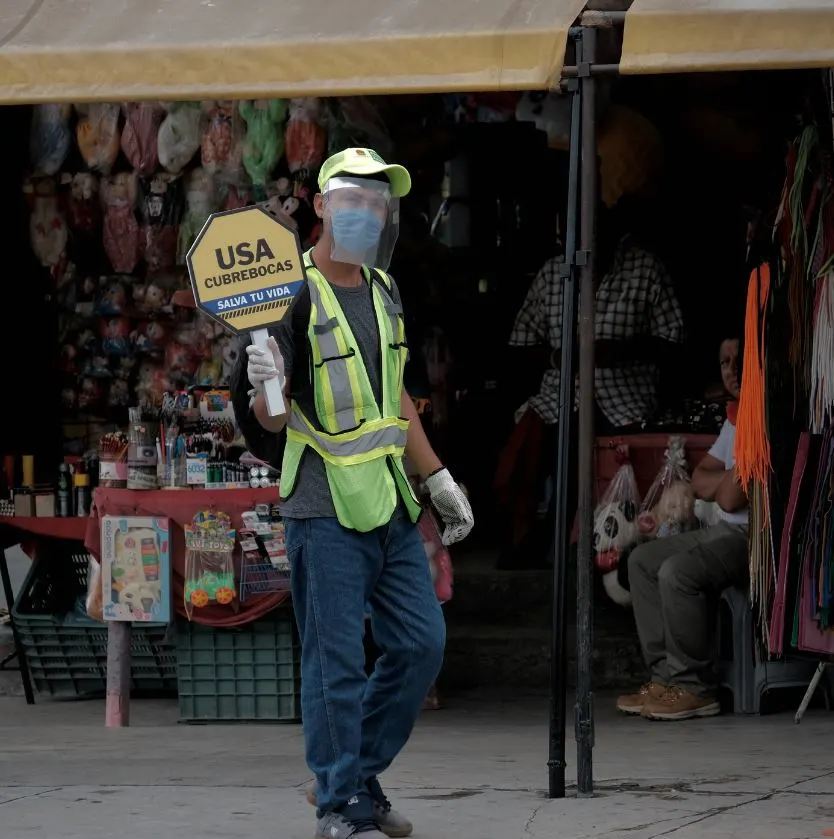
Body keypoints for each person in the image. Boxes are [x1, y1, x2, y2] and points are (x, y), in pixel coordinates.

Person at [243, 148, 473, 839]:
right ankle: (339, 804)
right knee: (333, 661)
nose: (367, 212)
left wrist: (436, 478)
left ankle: (353, 775)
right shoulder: (289, 292)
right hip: (321, 505)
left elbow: (394, 393)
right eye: (354, 198)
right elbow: (272, 423)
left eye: (378, 202)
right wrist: (265, 379)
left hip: (388, 501)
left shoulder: (383, 287)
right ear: (320, 204)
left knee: (420, 644)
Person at [495, 202, 684, 565]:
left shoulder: (644, 269)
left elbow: (674, 344)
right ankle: (530, 538)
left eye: (595, 234)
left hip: (626, 398)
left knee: (614, 461)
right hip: (563, 394)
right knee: (531, 436)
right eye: (576, 235)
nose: (586, 244)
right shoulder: (554, 274)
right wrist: (557, 358)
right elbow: (519, 346)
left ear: (614, 235)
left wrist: (623, 350)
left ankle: (603, 551)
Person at [617, 337, 748, 721]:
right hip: (723, 530)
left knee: (677, 571)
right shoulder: (736, 416)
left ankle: (694, 687)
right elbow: (701, 478)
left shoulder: (766, 416)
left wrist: (721, 485)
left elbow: (728, 499)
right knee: (641, 560)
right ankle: (664, 679)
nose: (732, 370)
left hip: (753, 539)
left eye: (740, 361)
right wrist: (724, 482)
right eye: (725, 362)